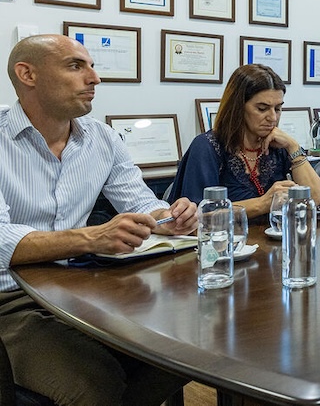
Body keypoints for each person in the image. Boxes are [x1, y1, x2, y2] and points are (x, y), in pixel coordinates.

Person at [0, 34, 197, 405]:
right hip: (9, 300)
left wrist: (172, 216)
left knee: (183, 354)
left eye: (91, 66)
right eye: (76, 66)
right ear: (27, 74)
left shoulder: (102, 138)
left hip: (76, 290)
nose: (95, 78)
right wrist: (91, 238)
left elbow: (141, 202)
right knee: (96, 387)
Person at [170, 64, 320, 216]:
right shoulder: (207, 146)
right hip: (227, 238)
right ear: (238, 107)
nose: (273, 118)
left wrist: (293, 146)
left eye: (277, 109)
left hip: (273, 237)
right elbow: (196, 216)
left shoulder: (278, 145)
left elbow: (315, 198)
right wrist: (262, 203)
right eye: (262, 109)